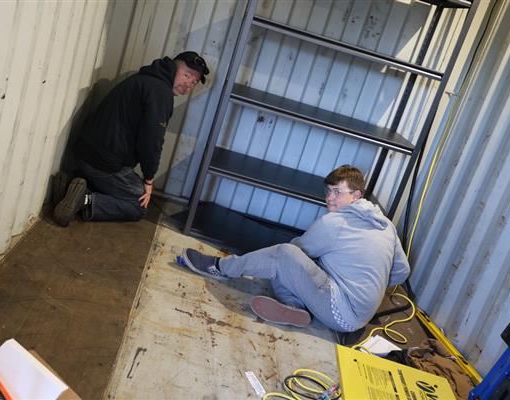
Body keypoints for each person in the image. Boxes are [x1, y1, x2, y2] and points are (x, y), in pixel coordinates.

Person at [180, 165, 410, 332]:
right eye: (328, 191)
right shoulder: (386, 226)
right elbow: (402, 271)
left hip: (340, 313)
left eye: (337, 192)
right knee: (297, 265)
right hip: (362, 316)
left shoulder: (336, 223)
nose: (329, 198)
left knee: (283, 255)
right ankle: (294, 307)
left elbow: (295, 252)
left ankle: (220, 267)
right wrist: (369, 285)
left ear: (356, 195)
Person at [53, 51, 209, 227]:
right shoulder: (161, 93)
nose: (188, 84)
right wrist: (149, 180)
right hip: (104, 165)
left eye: (194, 82)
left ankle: (69, 188)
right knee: (139, 203)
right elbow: (152, 143)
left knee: (122, 186)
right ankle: (85, 199)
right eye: (186, 75)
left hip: (82, 153)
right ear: (172, 68)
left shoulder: (145, 79)